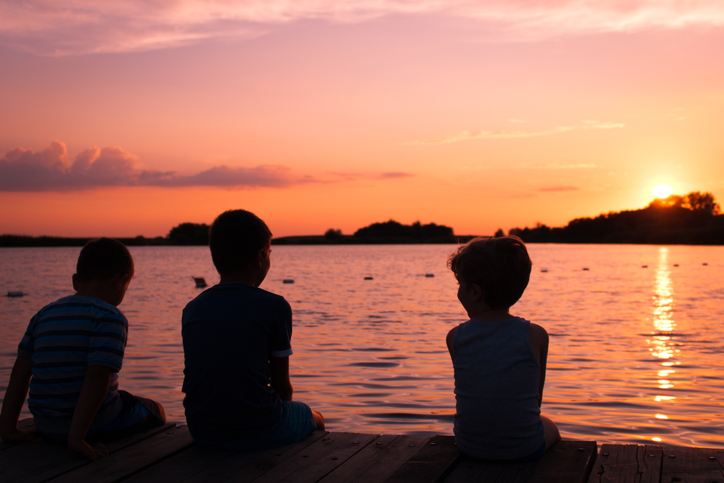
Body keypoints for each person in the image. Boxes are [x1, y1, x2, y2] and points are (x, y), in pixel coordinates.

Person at [0, 238, 166, 460]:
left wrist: (8, 429)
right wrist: (76, 438)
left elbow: (20, 372)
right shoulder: (109, 317)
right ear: (121, 281)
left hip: (45, 424)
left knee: (124, 397)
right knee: (155, 410)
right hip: (90, 427)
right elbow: (97, 377)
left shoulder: (43, 314)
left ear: (76, 281)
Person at [182, 209, 324, 450]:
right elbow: (282, 385)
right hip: (258, 428)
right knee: (316, 419)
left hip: (201, 430)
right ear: (260, 257)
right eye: (269, 253)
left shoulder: (192, 308)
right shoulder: (274, 306)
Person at [445, 235, 560, 462]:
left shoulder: (456, 337)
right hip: (525, 449)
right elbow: (535, 402)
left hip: (469, 447)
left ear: (475, 292)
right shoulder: (536, 336)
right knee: (550, 425)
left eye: (460, 285)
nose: (458, 291)